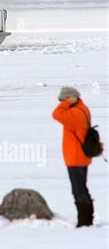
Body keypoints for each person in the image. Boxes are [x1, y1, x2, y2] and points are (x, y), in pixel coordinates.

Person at [52, 86, 94, 227]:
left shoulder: (75, 113)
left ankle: (84, 221)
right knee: (82, 187)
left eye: (63, 99)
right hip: (82, 156)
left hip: (75, 157)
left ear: (72, 98)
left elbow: (56, 114)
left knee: (78, 189)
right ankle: (88, 218)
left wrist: (68, 102)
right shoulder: (83, 109)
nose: (62, 103)